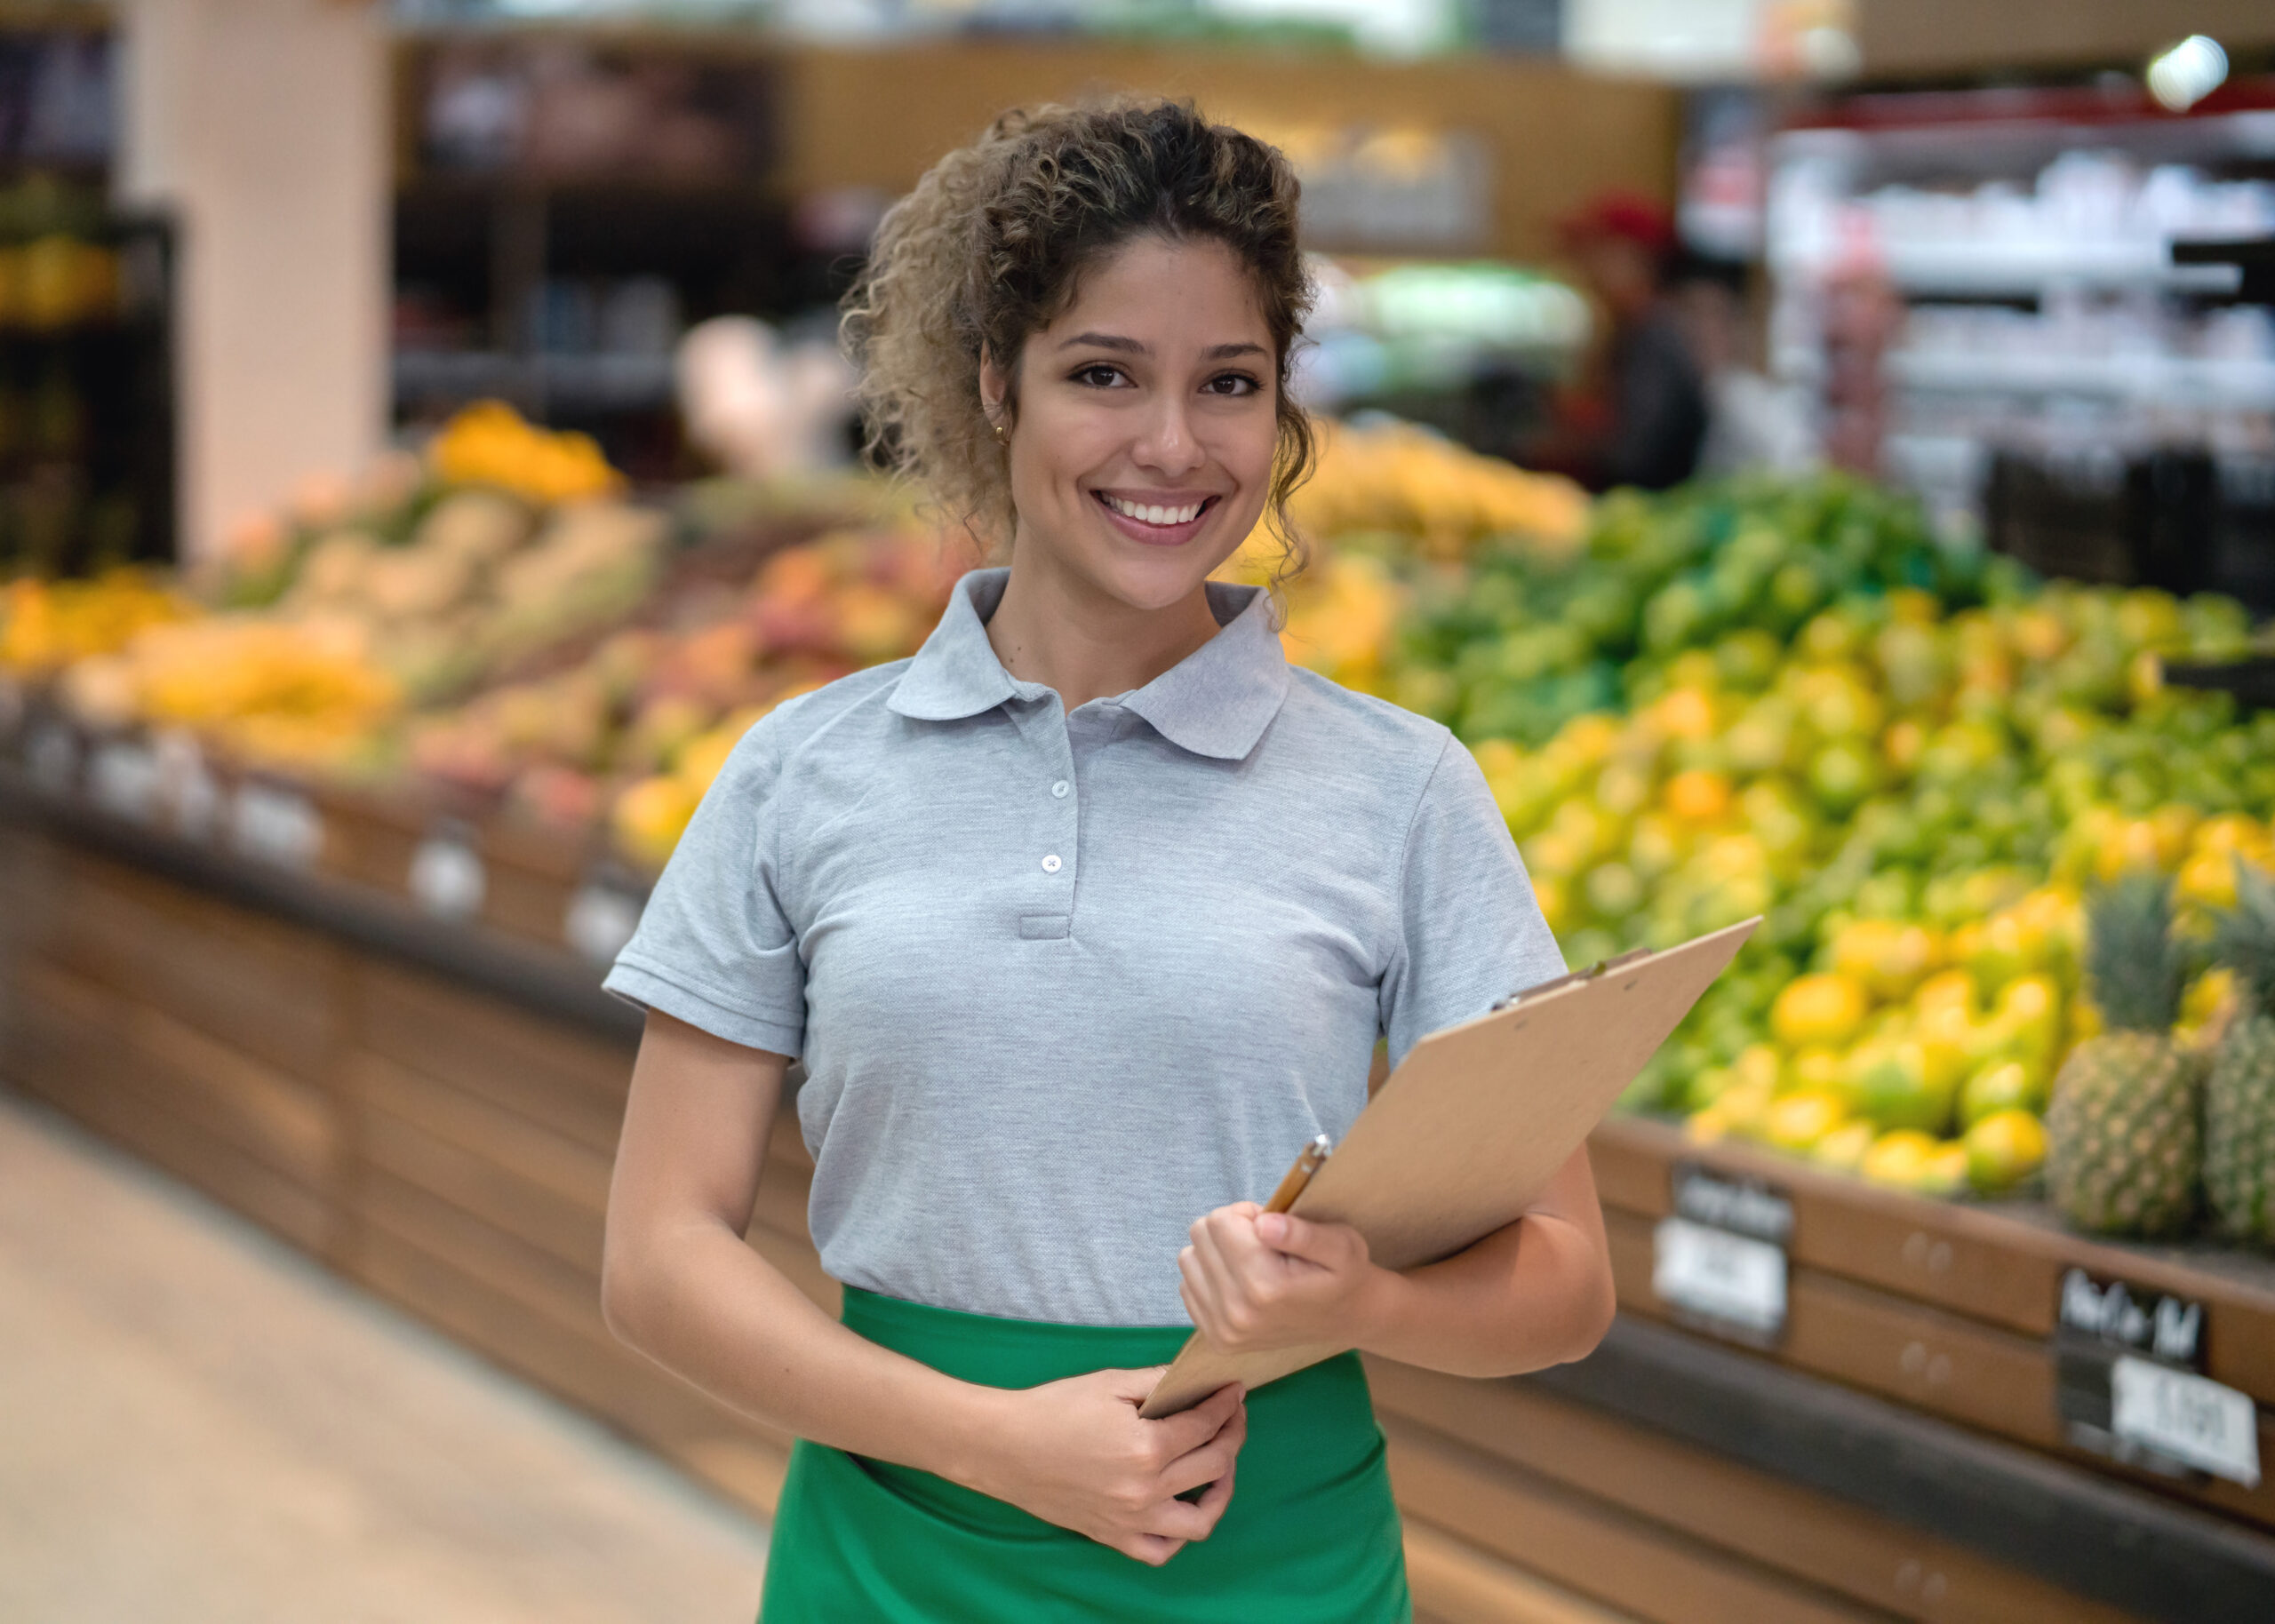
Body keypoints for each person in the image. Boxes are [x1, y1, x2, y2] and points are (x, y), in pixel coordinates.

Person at [597, 99, 1616, 1622]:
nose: (1173, 445)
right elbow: (659, 1254)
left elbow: (1568, 1281)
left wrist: (1371, 1299)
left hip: (1278, 1577)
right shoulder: (803, 771)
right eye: (1102, 374)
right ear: (995, 382)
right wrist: (997, 1440)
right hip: (893, 1566)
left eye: (1231, 383)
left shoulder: (1404, 789)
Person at [1537, 191, 1711, 492]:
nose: (1584, 268)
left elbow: (1637, 455)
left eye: (1596, 252)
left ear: (1635, 258)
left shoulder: (1654, 337)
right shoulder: (1633, 330)